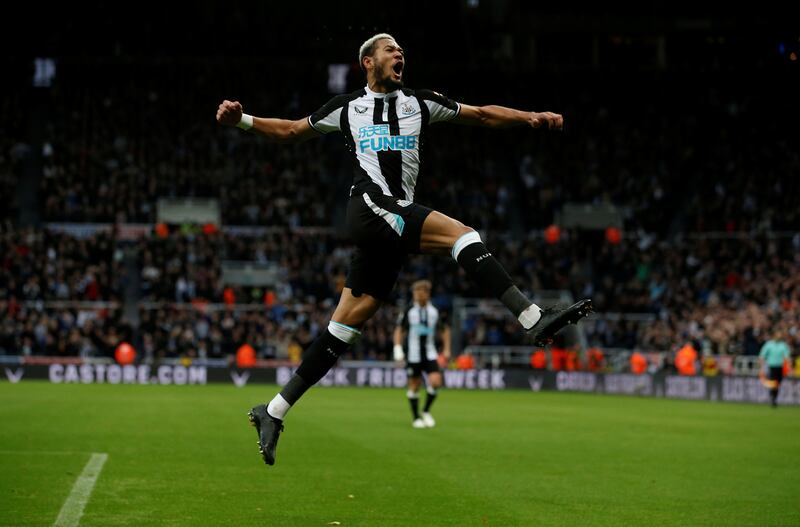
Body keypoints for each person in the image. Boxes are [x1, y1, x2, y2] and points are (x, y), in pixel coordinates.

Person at [216, 33, 593, 466]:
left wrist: (530, 117)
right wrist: (242, 121)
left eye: (401, 50)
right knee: (462, 236)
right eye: (390, 49)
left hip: (390, 226)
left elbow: (485, 116)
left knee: (345, 327)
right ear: (368, 63)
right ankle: (532, 317)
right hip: (371, 206)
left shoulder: (420, 102)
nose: (400, 54)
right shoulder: (345, 108)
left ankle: (274, 410)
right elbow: (289, 130)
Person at [393, 279, 450, 428]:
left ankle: (425, 411)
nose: (417, 295)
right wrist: (397, 349)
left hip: (430, 353)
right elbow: (399, 330)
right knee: (414, 385)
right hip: (413, 354)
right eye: (415, 292)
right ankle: (416, 418)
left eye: (420, 292)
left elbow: (444, 329)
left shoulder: (434, 310)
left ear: (427, 293)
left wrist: (447, 349)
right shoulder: (408, 310)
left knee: (436, 382)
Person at [758, 330, 792, 407]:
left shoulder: (783, 345)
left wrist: (789, 368)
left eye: (780, 335)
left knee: (778, 383)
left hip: (780, 367)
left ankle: (773, 396)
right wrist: (761, 367)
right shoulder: (769, 345)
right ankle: (773, 398)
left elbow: (787, 357)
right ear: (774, 336)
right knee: (774, 382)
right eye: (777, 335)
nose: (779, 337)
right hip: (771, 366)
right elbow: (762, 356)